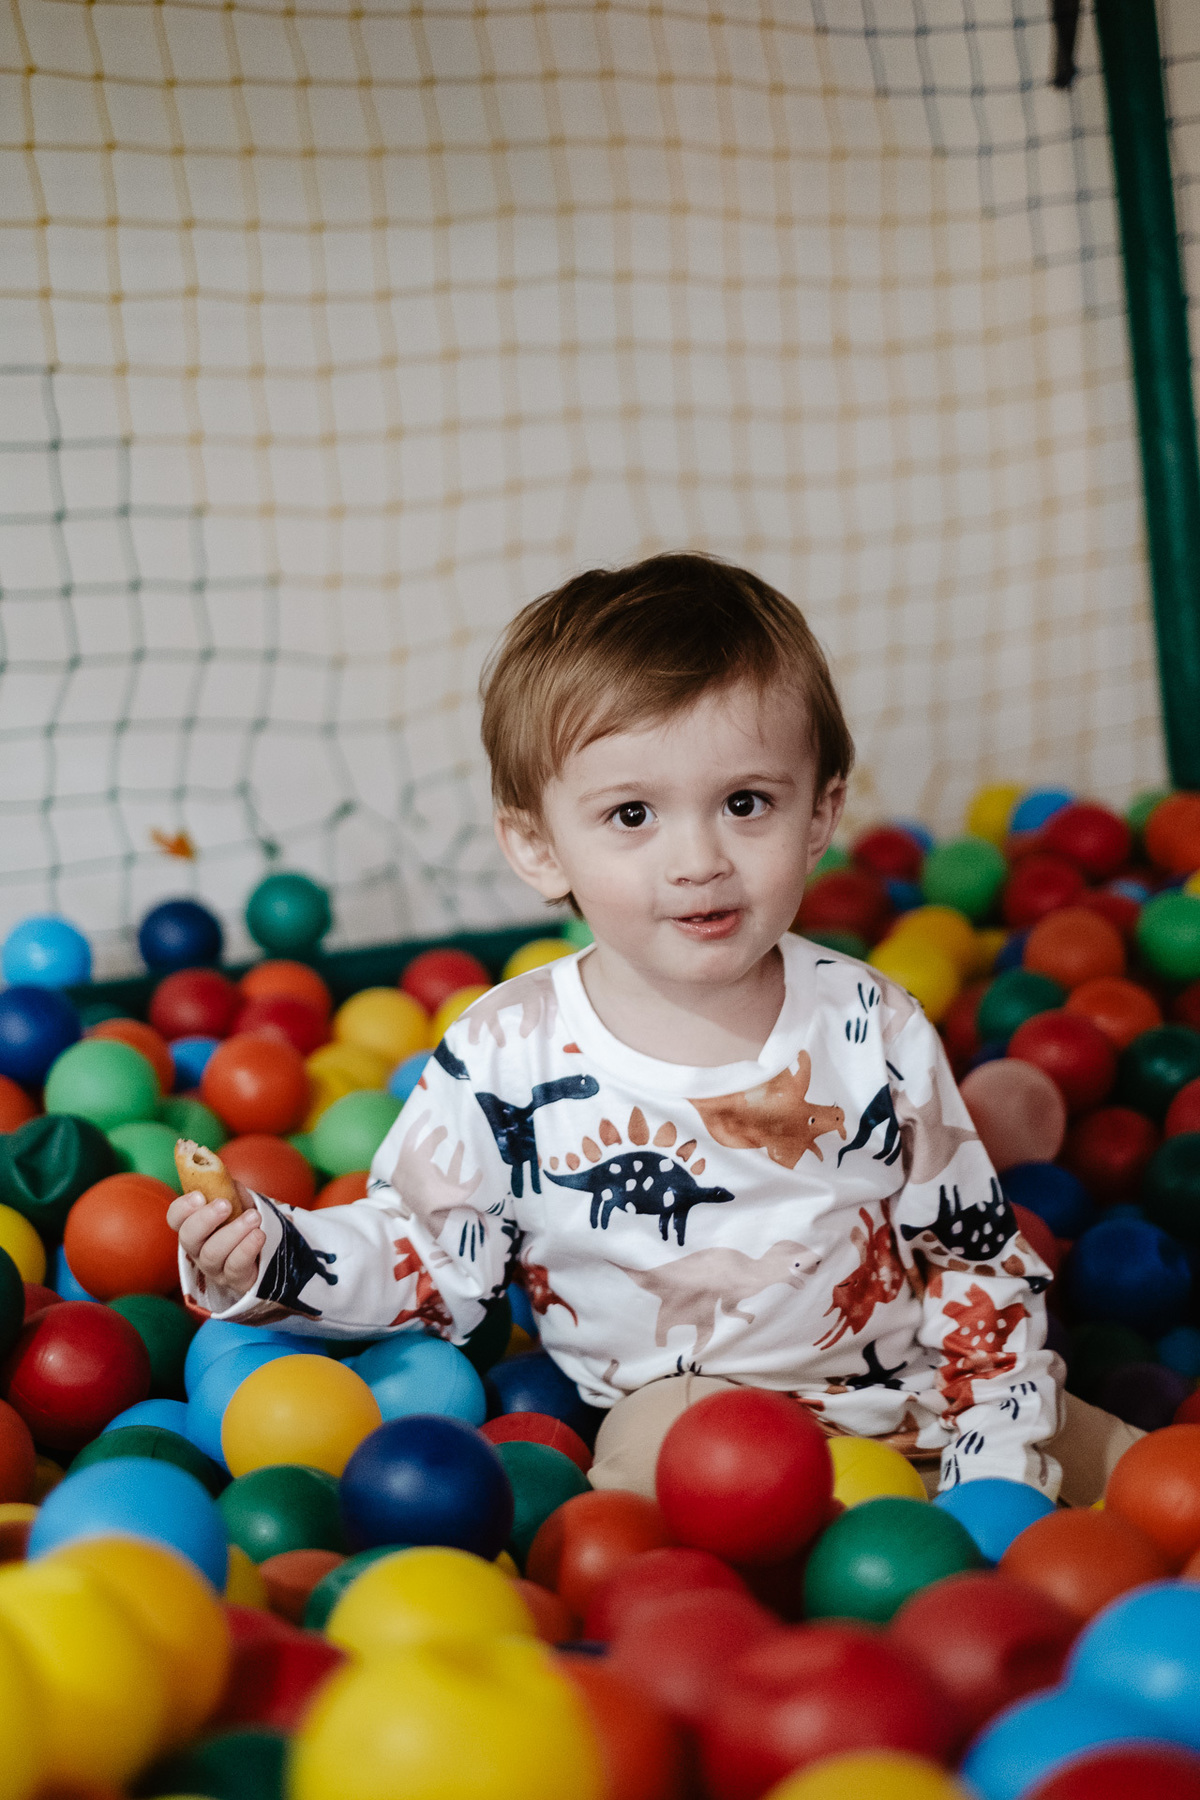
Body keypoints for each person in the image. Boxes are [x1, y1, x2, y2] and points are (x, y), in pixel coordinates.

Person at [170, 553, 1130, 1503]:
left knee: (1145, 1478)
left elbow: (967, 1251)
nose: (699, 859)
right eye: (633, 814)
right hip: (691, 1421)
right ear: (539, 847)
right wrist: (277, 1251)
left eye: (745, 804)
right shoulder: (506, 1051)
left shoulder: (869, 1022)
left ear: (819, 814)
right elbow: (431, 1254)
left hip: (916, 1405)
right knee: (655, 1482)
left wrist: (992, 1469)